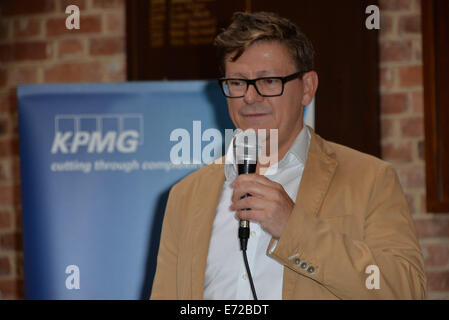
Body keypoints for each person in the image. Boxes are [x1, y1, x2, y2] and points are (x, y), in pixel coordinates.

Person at [150, 11, 426, 299]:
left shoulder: (369, 178)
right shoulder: (186, 195)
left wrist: (293, 228)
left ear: (308, 88)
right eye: (237, 82)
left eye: (268, 81)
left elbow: (406, 290)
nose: (249, 97)